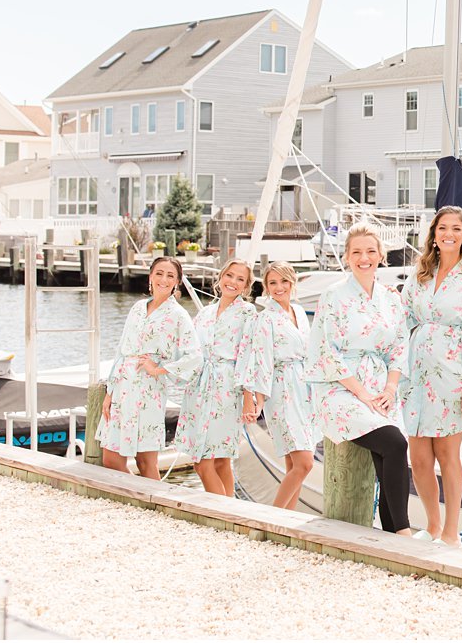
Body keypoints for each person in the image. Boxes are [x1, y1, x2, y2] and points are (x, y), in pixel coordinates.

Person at [401, 205, 462, 547]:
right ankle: (431, 525)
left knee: (447, 453)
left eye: (456, 229)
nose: (448, 234)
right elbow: (403, 319)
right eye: (443, 228)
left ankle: (451, 531)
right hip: (416, 373)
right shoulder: (421, 273)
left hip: (454, 372)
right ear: (434, 233)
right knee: (419, 457)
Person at [307, 224, 415, 535]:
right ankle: (403, 531)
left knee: (393, 447)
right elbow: (326, 350)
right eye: (356, 252)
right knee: (393, 442)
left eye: (370, 251)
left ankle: (392, 529)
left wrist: (390, 388)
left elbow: (398, 346)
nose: (363, 257)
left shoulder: (390, 299)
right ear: (347, 256)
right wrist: (362, 394)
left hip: (380, 386)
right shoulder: (333, 295)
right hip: (340, 387)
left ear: (381, 255)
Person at [98, 256, 198, 479]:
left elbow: (194, 356)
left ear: (177, 282)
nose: (164, 279)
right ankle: (134, 500)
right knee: (111, 458)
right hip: (122, 386)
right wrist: (110, 392)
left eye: (170, 275)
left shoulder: (178, 315)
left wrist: (159, 369)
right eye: (159, 273)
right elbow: (120, 350)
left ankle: (153, 507)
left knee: (145, 461)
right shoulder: (137, 308)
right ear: (150, 276)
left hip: (149, 389)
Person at [175, 258, 260, 497]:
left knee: (203, 462)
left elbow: (247, 355)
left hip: (226, 388)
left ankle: (219, 512)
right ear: (221, 277)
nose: (233, 282)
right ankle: (231, 511)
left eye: (240, 279)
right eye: (230, 275)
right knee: (220, 460)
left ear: (246, 287)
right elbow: (188, 349)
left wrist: (247, 397)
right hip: (199, 387)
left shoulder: (247, 313)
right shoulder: (205, 313)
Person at [245, 261, 315, 510]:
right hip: (281, 391)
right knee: (305, 463)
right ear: (265, 287)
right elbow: (261, 360)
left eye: (283, 281)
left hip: (304, 390)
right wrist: (259, 401)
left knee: (292, 464)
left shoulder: (299, 313)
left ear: (292, 282)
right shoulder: (265, 319)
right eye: (272, 283)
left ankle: (288, 519)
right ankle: (272, 517)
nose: (279, 287)